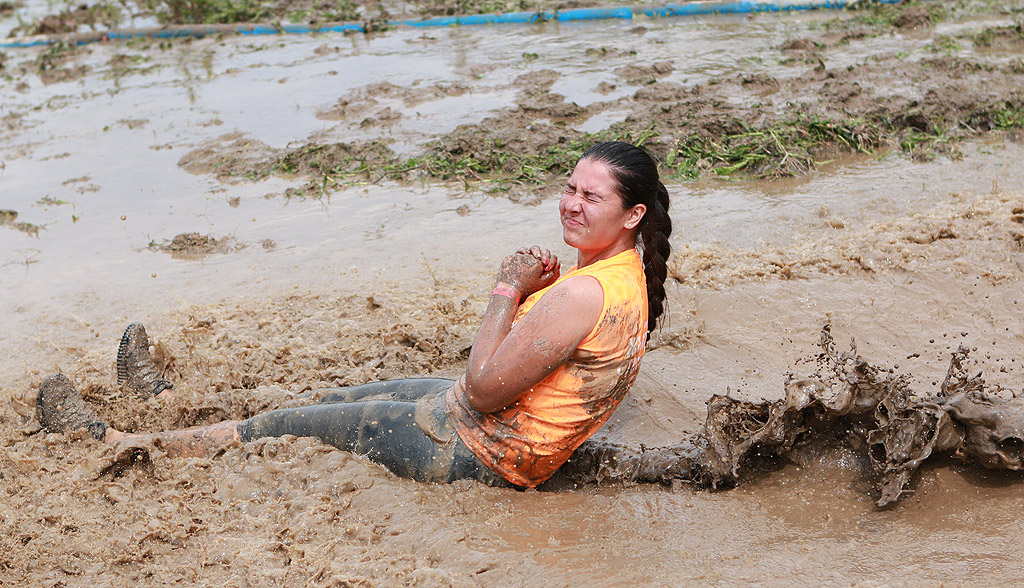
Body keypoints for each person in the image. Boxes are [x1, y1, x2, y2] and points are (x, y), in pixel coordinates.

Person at [35, 141, 674, 490]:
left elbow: (481, 390)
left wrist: (506, 290)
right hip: (495, 429)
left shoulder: (582, 293)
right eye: (569, 187)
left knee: (284, 426)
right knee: (326, 399)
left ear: (633, 213)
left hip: (482, 450)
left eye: (591, 196)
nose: (570, 204)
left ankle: (118, 443)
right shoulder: (623, 277)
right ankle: (163, 399)